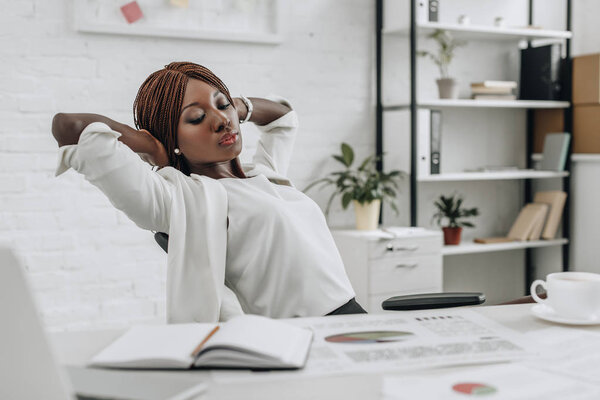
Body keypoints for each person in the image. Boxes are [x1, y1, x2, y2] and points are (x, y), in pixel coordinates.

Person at [52, 61, 366, 323]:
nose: (220, 121)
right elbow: (70, 127)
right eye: (196, 118)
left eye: (222, 104)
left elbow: (283, 118)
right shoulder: (182, 201)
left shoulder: (265, 174)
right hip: (304, 338)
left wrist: (236, 106)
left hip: (356, 318)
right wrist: (148, 144)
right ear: (171, 136)